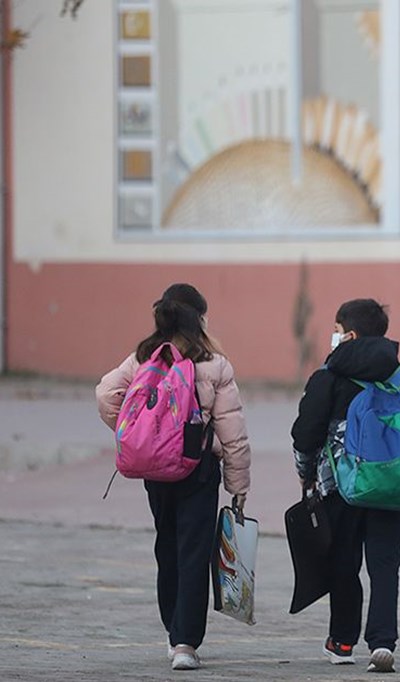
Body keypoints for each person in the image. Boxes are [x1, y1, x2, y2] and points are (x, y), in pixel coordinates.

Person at [95, 283, 251, 672]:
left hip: (157, 470)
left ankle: (172, 632)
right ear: (200, 317)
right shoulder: (213, 362)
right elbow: (232, 432)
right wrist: (238, 486)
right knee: (194, 553)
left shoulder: (144, 357)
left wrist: (135, 432)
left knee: (167, 547)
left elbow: (106, 393)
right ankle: (185, 642)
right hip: (198, 469)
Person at [291, 298, 400, 672]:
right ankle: (383, 642)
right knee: (385, 563)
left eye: (336, 331)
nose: (333, 338)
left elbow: (306, 432)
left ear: (348, 334)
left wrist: (305, 471)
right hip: (392, 487)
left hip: (343, 487)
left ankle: (342, 640)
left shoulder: (328, 378)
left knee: (344, 560)